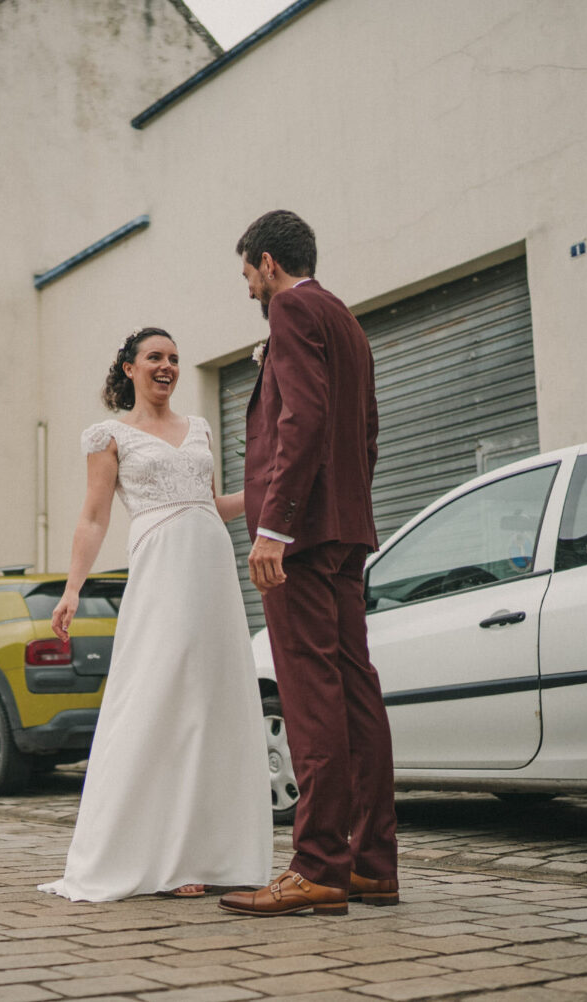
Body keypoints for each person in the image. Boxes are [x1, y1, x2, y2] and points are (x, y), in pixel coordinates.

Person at [39, 327, 272, 901]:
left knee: (211, 703)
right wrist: (72, 589)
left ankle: (210, 853)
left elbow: (210, 503)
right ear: (129, 368)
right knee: (158, 697)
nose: (166, 366)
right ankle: (158, 856)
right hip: (159, 569)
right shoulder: (108, 435)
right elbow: (93, 518)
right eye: (154, 358)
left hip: (212, 568)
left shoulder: (200, 429)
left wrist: (269, 487)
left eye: (173, 358)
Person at [218, 210, 399, 918]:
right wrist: (335, 510)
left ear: (268, 263)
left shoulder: (291, 307)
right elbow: (367, 433)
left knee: (310, 694)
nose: (250, 292)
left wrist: (274, 527)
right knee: (355, 693)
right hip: (345, 532)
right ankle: (372, 865)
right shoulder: (345, 321)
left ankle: (319, 864)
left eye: (247, 277)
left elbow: (304, 418)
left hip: (300, 540)